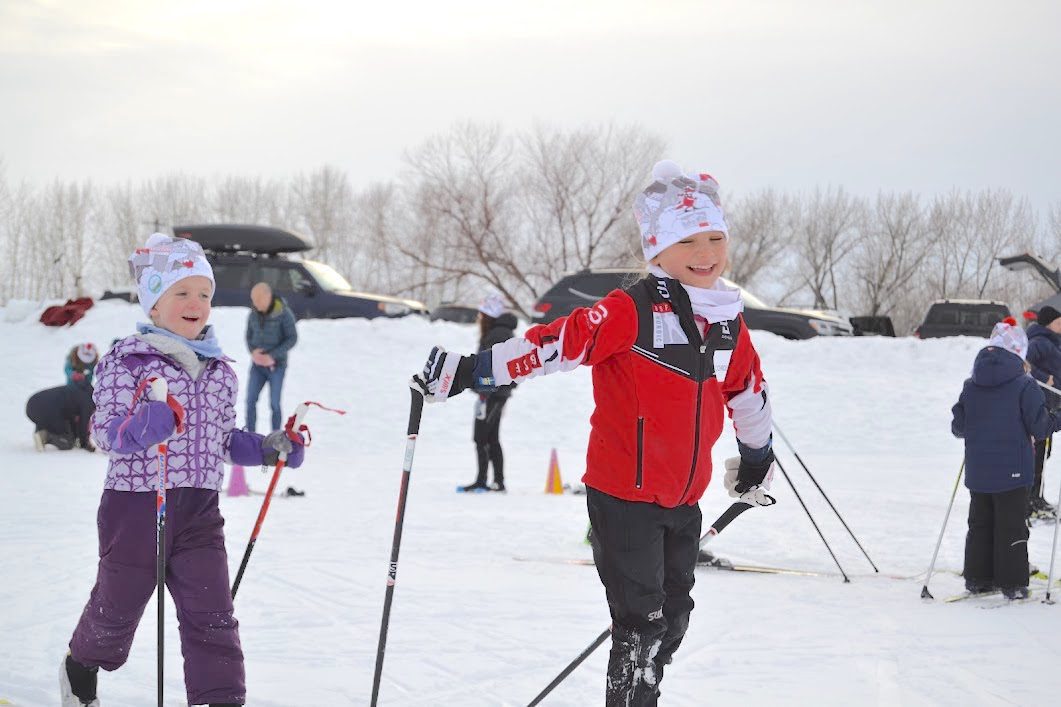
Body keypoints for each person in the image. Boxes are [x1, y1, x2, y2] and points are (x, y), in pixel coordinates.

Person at [412, 161, 775, 704]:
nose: (706, 252)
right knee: (641, 624)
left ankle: (643, 680)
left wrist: (755, 456)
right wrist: (472, 371)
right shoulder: (631, 311)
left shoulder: (725, 320)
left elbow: (747, 388)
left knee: (673, 620)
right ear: (657, 251)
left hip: (683, 498)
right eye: (689, 240)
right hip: (623, 497)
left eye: (715, 237)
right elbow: (553, 344)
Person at [61, 234, 306, 707]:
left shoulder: (220, 372)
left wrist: (272, 448)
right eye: (182, 293)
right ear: (153, 304)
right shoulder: (126, 362)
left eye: (205, 294)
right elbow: (104, 432)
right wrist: (143, 426)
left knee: (213, 615)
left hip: (198, 510)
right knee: (117, 609)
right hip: (135, 507)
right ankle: (80, 664)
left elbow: (226, 439)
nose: (196, 304)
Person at [951, 319, 1061, 600]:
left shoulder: (971, 384)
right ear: (1018, 354)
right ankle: (1012, 583)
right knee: (1011, 524)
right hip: (1013, 470)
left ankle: (978, 578)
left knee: (980, 523)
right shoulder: (1025, 385)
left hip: (979, 470)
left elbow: (959, 427)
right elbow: (1040, 427)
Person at [460, 293, 518, 493]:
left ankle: (485, 480)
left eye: (482, 313)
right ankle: (495, 481)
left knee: (482, 436)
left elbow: (493, 367)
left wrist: (482, 387)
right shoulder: (499, 332)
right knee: (490, 437)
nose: (479, 318)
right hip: (493, 393)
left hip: (493, 394)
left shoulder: (497, 334)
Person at [244, 282, 298, 433]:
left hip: (276, 366)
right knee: (250, 401)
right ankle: (251, 436)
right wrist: (253, 352)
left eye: (258, 300)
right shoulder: (253, 313)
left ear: (268, 297)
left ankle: (275, 437)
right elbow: (248, 337)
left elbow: (292, 338)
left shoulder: (284, 314)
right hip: (257, 367)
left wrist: (272, 355)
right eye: (253, 300)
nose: (255, 304)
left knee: (274, 404)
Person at [1025, 305, 1061, 518]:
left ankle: (1037, 496)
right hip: (1041, 404)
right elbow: (1023, 364)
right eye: (1058, 322)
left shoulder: (1053, 342)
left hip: (1052, 405)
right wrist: (1043, 377)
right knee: (1037, 454)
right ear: (1048, 324)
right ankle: (1031, 500)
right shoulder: (1039, 342)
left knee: (1044, 453)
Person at [26, 376, 95, 452]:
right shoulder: (88, 401)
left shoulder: (81, 390)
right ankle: (46, 436)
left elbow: (74, 420)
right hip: (46, 410)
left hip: (32, 404)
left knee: (62, 422)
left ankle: (40, 431)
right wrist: (84, 443)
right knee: (68, 442)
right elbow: (83, 423)